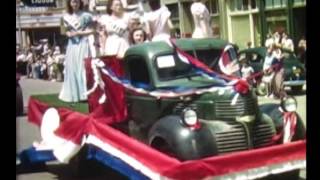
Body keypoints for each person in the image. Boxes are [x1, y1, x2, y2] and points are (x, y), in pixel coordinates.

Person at [59, 0, 94, 102]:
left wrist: (79, 32)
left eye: (77, 2)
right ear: (70, 3)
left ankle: (85, 94)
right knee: (73, 69)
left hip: (84, 44)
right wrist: (69, 34)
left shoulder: (87, 15)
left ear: (80, 3)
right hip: (72, 46)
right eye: (73, 2)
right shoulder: (65, 17)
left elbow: (92, 30)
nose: (75, 4)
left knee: (83, 68)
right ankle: (75, 95)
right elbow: (63, 31)